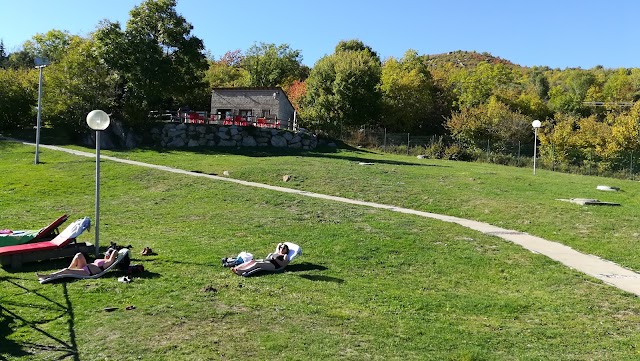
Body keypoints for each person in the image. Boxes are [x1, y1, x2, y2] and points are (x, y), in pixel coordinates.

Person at [36, 248, 119, 281]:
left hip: (87, 272)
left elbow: (114, 253)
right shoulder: (103, 259)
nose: (106, 254)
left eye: (108, 253)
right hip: (85, 267)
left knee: (66, 270)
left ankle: (48, 276)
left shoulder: (108, 262)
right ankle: (68, 272)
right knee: (79, 255)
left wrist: (114, 251)